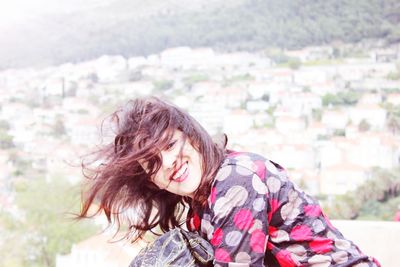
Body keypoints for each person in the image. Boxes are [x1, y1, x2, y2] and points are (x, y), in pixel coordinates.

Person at [78, 97, 381, 267]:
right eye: (154, 163)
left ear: (191, 134)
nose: (169, 162)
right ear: (152, 181)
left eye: (170, 145)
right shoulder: (202, 200)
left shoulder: (236, 180)